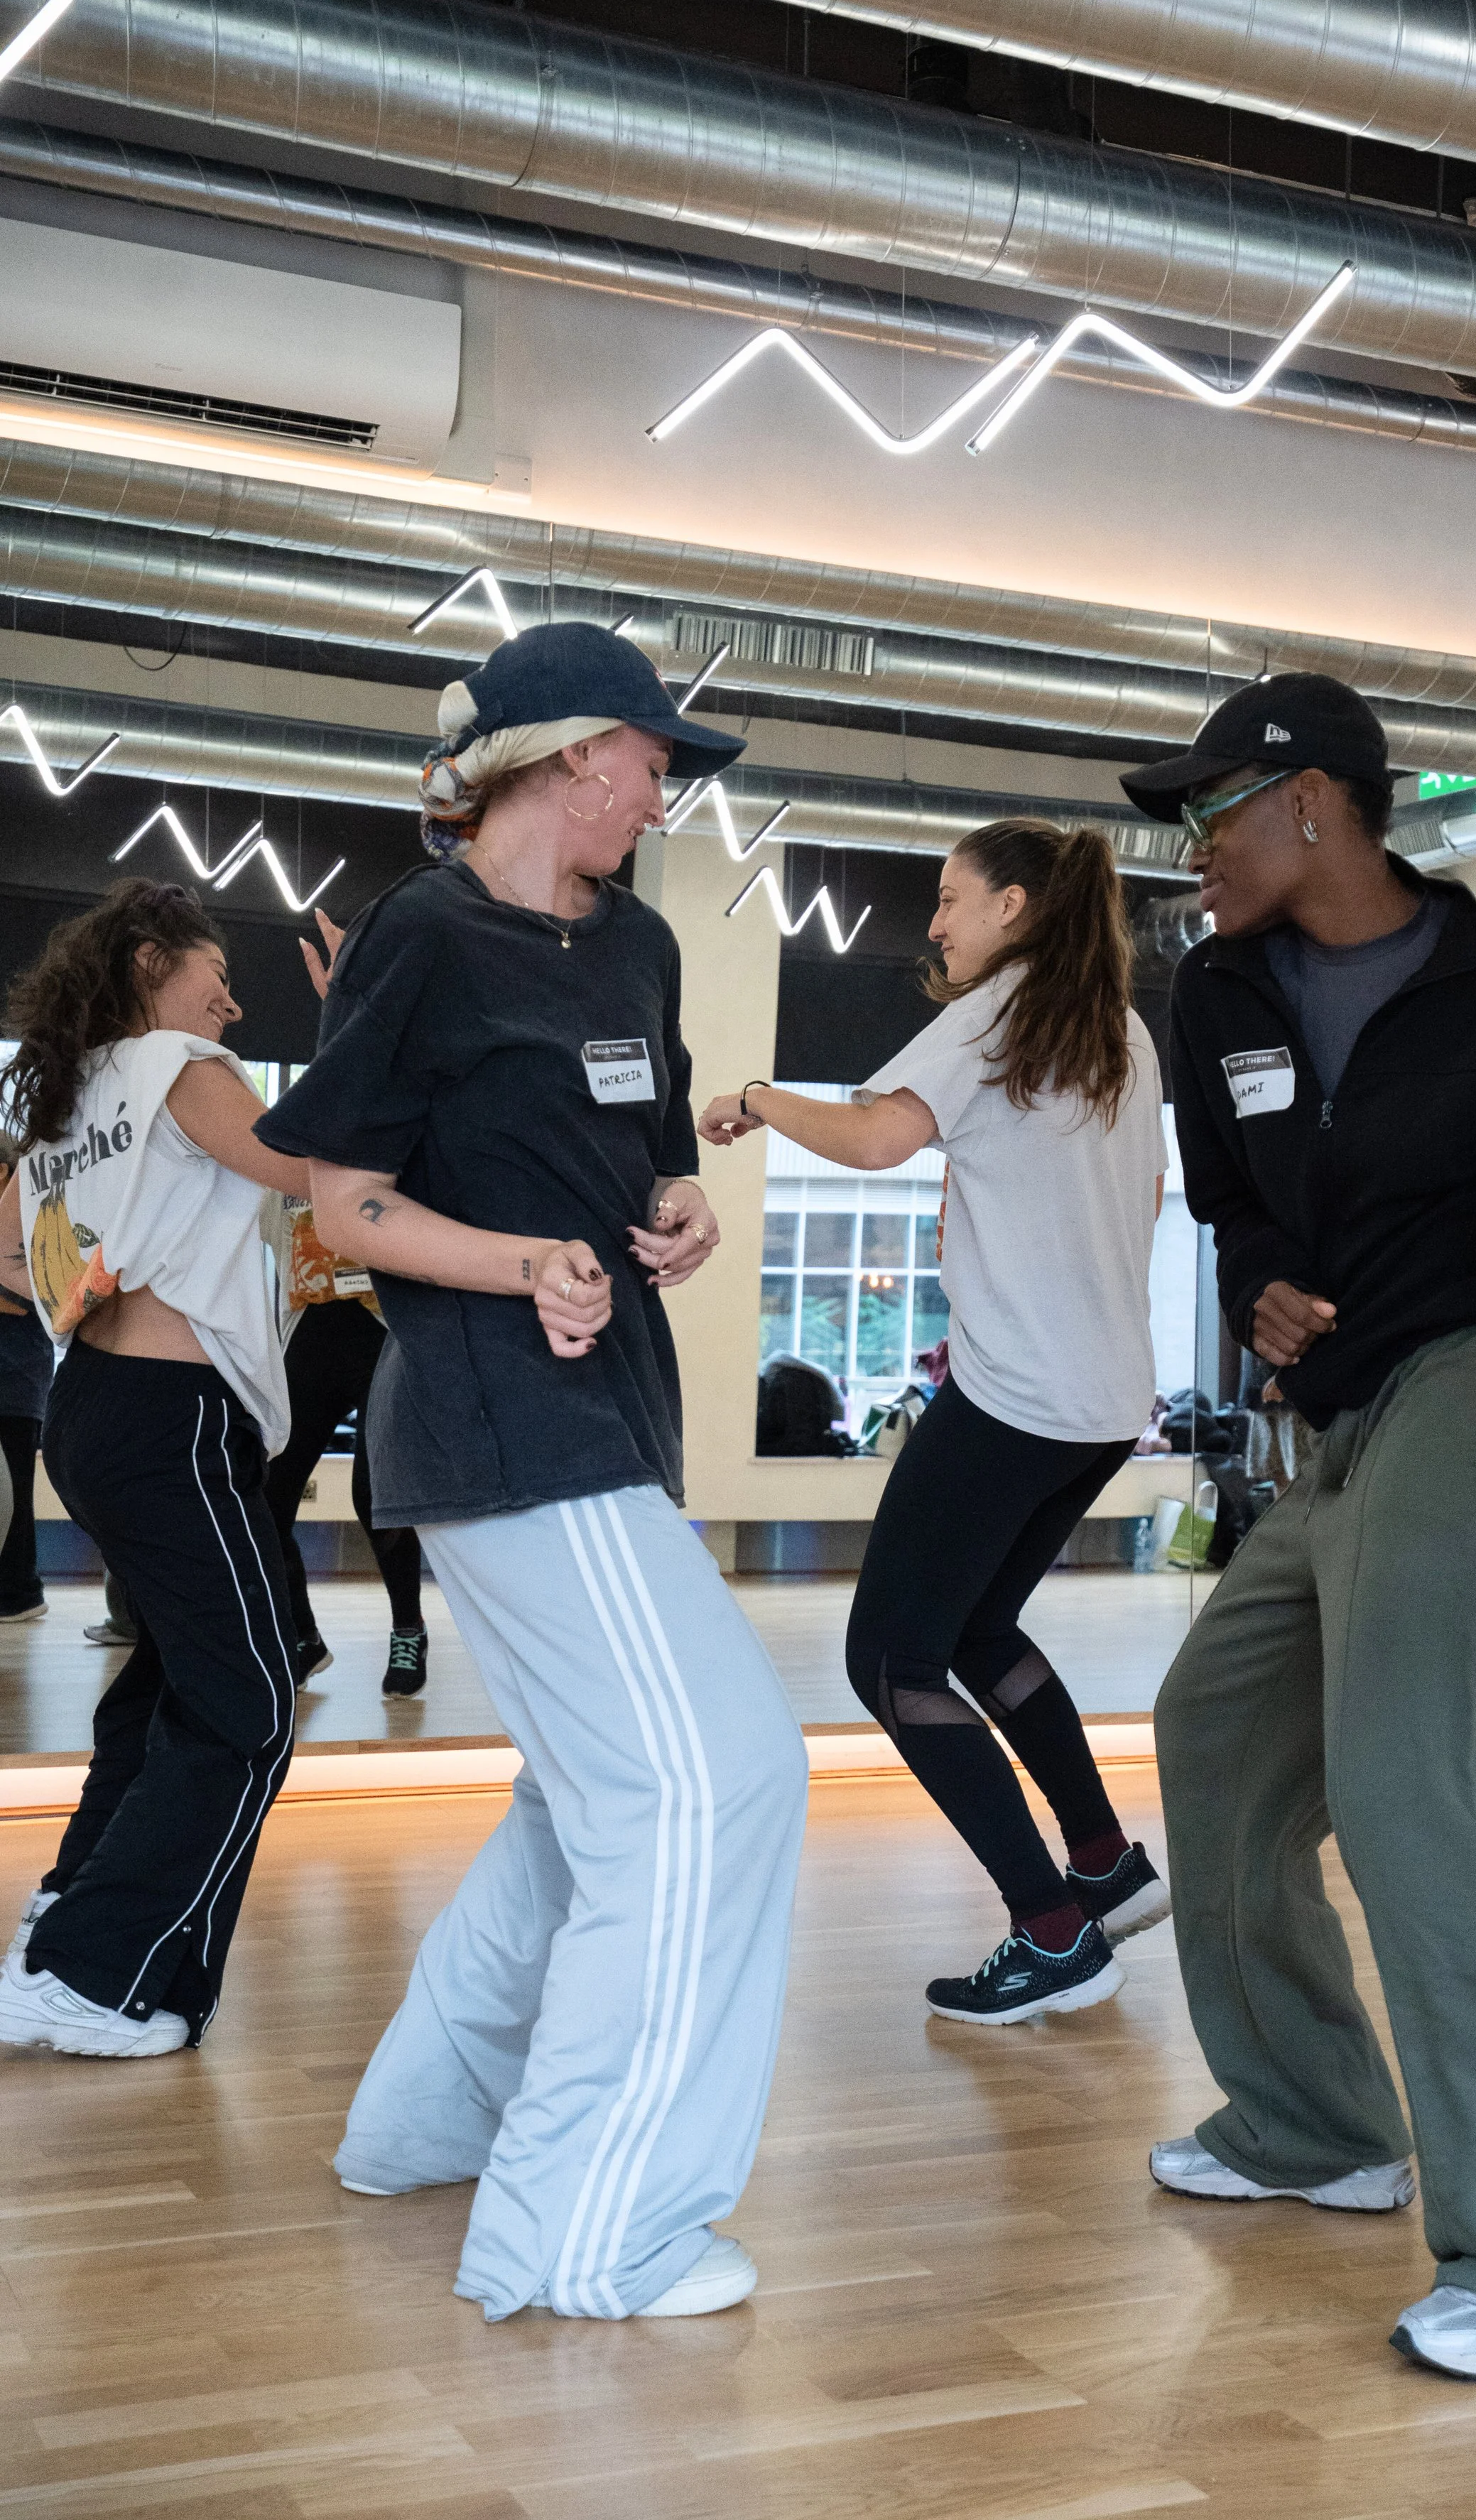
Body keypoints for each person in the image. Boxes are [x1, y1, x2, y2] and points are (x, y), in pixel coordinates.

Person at [253, 621, 807, 2323]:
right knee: (717, 1784)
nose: (664, 795)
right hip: (501, 1417)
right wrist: (516, 1263)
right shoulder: (425, 940)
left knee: (582, 1806)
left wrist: (678, 1209)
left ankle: (426, 2127)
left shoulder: (637, 943)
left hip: (612, 1412)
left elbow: (645, 1165)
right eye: (652, 764)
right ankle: (589, 2231)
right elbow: (333, 1200)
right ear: (573, 754)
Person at [1122, 672, 1476, 2383]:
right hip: (1347, 1406)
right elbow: (1228, 1207)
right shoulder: (1209, 992)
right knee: (1216, 1736)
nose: (1190, 850)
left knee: (1416, 1786)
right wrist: (1261, 1293)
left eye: (1210, 815)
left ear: (1313, 804)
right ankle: (1313, 2119)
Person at [701, 819, 1172, 2026]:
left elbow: (872, 1140)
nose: (936, 922)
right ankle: (1105, 1861)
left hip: (1014, 1396)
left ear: (1015, 905)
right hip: (1106, 1402)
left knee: (889, 1657)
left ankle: (1052, 1926)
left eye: (952, 898)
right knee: (975, 1629)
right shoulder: (1119, 1030)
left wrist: (757, 1095)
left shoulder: (991, 1016)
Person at [0, 880, 301, 2057]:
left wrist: (84, 1287)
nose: (229, 999)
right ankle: (93, 1973)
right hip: (174, 1416)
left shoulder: (69, 1099)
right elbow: (297, 1166)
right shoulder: (180, 1061)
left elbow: (11, 1252)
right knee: (248, 1701)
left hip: (98, 1408)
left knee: (168, 1686)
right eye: (212, 971)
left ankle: (70, 1913)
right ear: (144, 963)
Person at [265, 1197, 429, 1695]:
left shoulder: (382, 1144)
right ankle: (301, 1637)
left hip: (385, 1332)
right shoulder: (281, 1159)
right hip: (312, 1333)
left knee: (376, 1494)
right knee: (265, 1495)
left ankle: (409, 1629)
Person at [0, 1138, 53, 1626]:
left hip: (18, 1378)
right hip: (16, 1373)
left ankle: (19, 1590)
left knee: (14, 1488)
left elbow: (29, 1295)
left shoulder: (32, 1212)